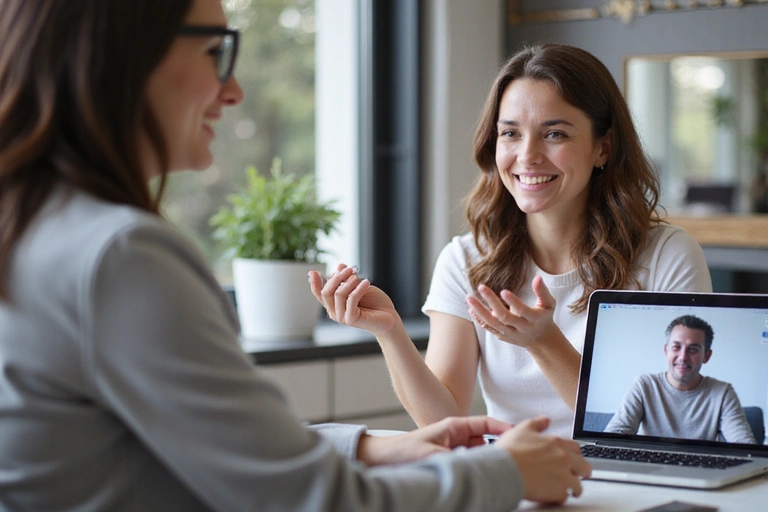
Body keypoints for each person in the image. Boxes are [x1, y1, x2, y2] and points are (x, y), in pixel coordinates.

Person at [0, 0, 594, 510]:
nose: (233, 90)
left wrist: (374, 446)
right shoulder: (120, 257)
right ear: (125, 56)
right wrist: (504, 472)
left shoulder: (34, 228)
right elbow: (313, 498)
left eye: (557, 132)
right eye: (216, 52)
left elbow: (227, 444)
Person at [309, 43, 712, 438]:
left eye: (554, 134)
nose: (527, 155)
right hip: (516, 482)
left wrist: (544, 342)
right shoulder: (465, 259)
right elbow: (443, 422)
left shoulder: (667, 256)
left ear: (602, 147)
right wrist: (390, 331)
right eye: (510, 134)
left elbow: (662, 428)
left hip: (630, 485)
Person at [605, 315, 756, 444]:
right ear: (666, 351)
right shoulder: (644, 386)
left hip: (701, 470)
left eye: (693, 349)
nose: (683, 357)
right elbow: (613, 436)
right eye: (676, 347)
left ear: (706, 356)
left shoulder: (722, 393)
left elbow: (744, 445)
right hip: (649, 468)